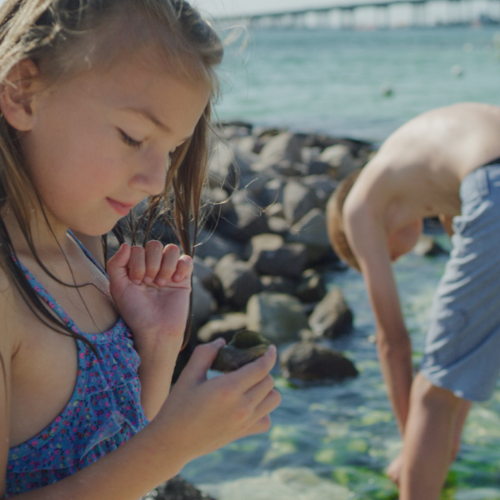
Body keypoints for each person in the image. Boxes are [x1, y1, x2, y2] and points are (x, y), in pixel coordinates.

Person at [0, 1, 281, 498]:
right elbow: (144, 461)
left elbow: (119, 457)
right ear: (21, 92)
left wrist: (156, 346)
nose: (156, 182)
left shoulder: (82, 250)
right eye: (133, 137)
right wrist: (173, 446)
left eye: (172, 149)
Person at [326, 102, 500, 500]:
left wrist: (413, 447)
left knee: (429, 392)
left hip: (493, 182)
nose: (394, 263)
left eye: (387, 260)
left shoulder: (358, 206)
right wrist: (444, 440)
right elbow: (473, 345)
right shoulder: (435, 185)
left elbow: (394, 343)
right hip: (489, 176)